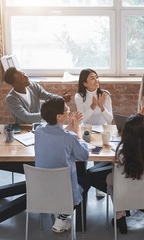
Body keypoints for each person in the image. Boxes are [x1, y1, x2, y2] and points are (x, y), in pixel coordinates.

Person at [34, 96, 91, 233]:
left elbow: (57, 135)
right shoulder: (69, 137)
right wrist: (77, 133)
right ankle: (63, 215)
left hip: (42, 189)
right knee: (88, 177)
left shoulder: (38, 131)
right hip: (64, 191)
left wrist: (68, 129)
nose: (69, 110)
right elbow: (84, 155)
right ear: (59, 116)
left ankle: (60, 214)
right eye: (67, 109)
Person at [106, 113, 144, 234]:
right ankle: (120, 213)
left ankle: (120, 214)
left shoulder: (120, 152)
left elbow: (114, 167)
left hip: (124, 192)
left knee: (110, 178)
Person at [75, 68, 113, 199]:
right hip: (86, 129)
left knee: (99, 156)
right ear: (85, 83)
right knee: (83, 155)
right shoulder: (79, 96)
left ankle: (98, 186)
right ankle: (82, 183)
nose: (96, 80)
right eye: (92, 78)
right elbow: (83, 119)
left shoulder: (105, 94)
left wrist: (101, 106)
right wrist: (92, 106)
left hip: (103, 129)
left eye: (97, 77)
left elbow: (109, 119)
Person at [3, 67, 70, 124]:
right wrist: (47, 114)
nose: (27, 76)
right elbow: (27, 118)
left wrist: (61, 99)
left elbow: (48, 96)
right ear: (15, 84)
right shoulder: (11, 99)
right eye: (23, 77)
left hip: (38, 125)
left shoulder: (33, 86)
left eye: (24, 74)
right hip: (24, 129)